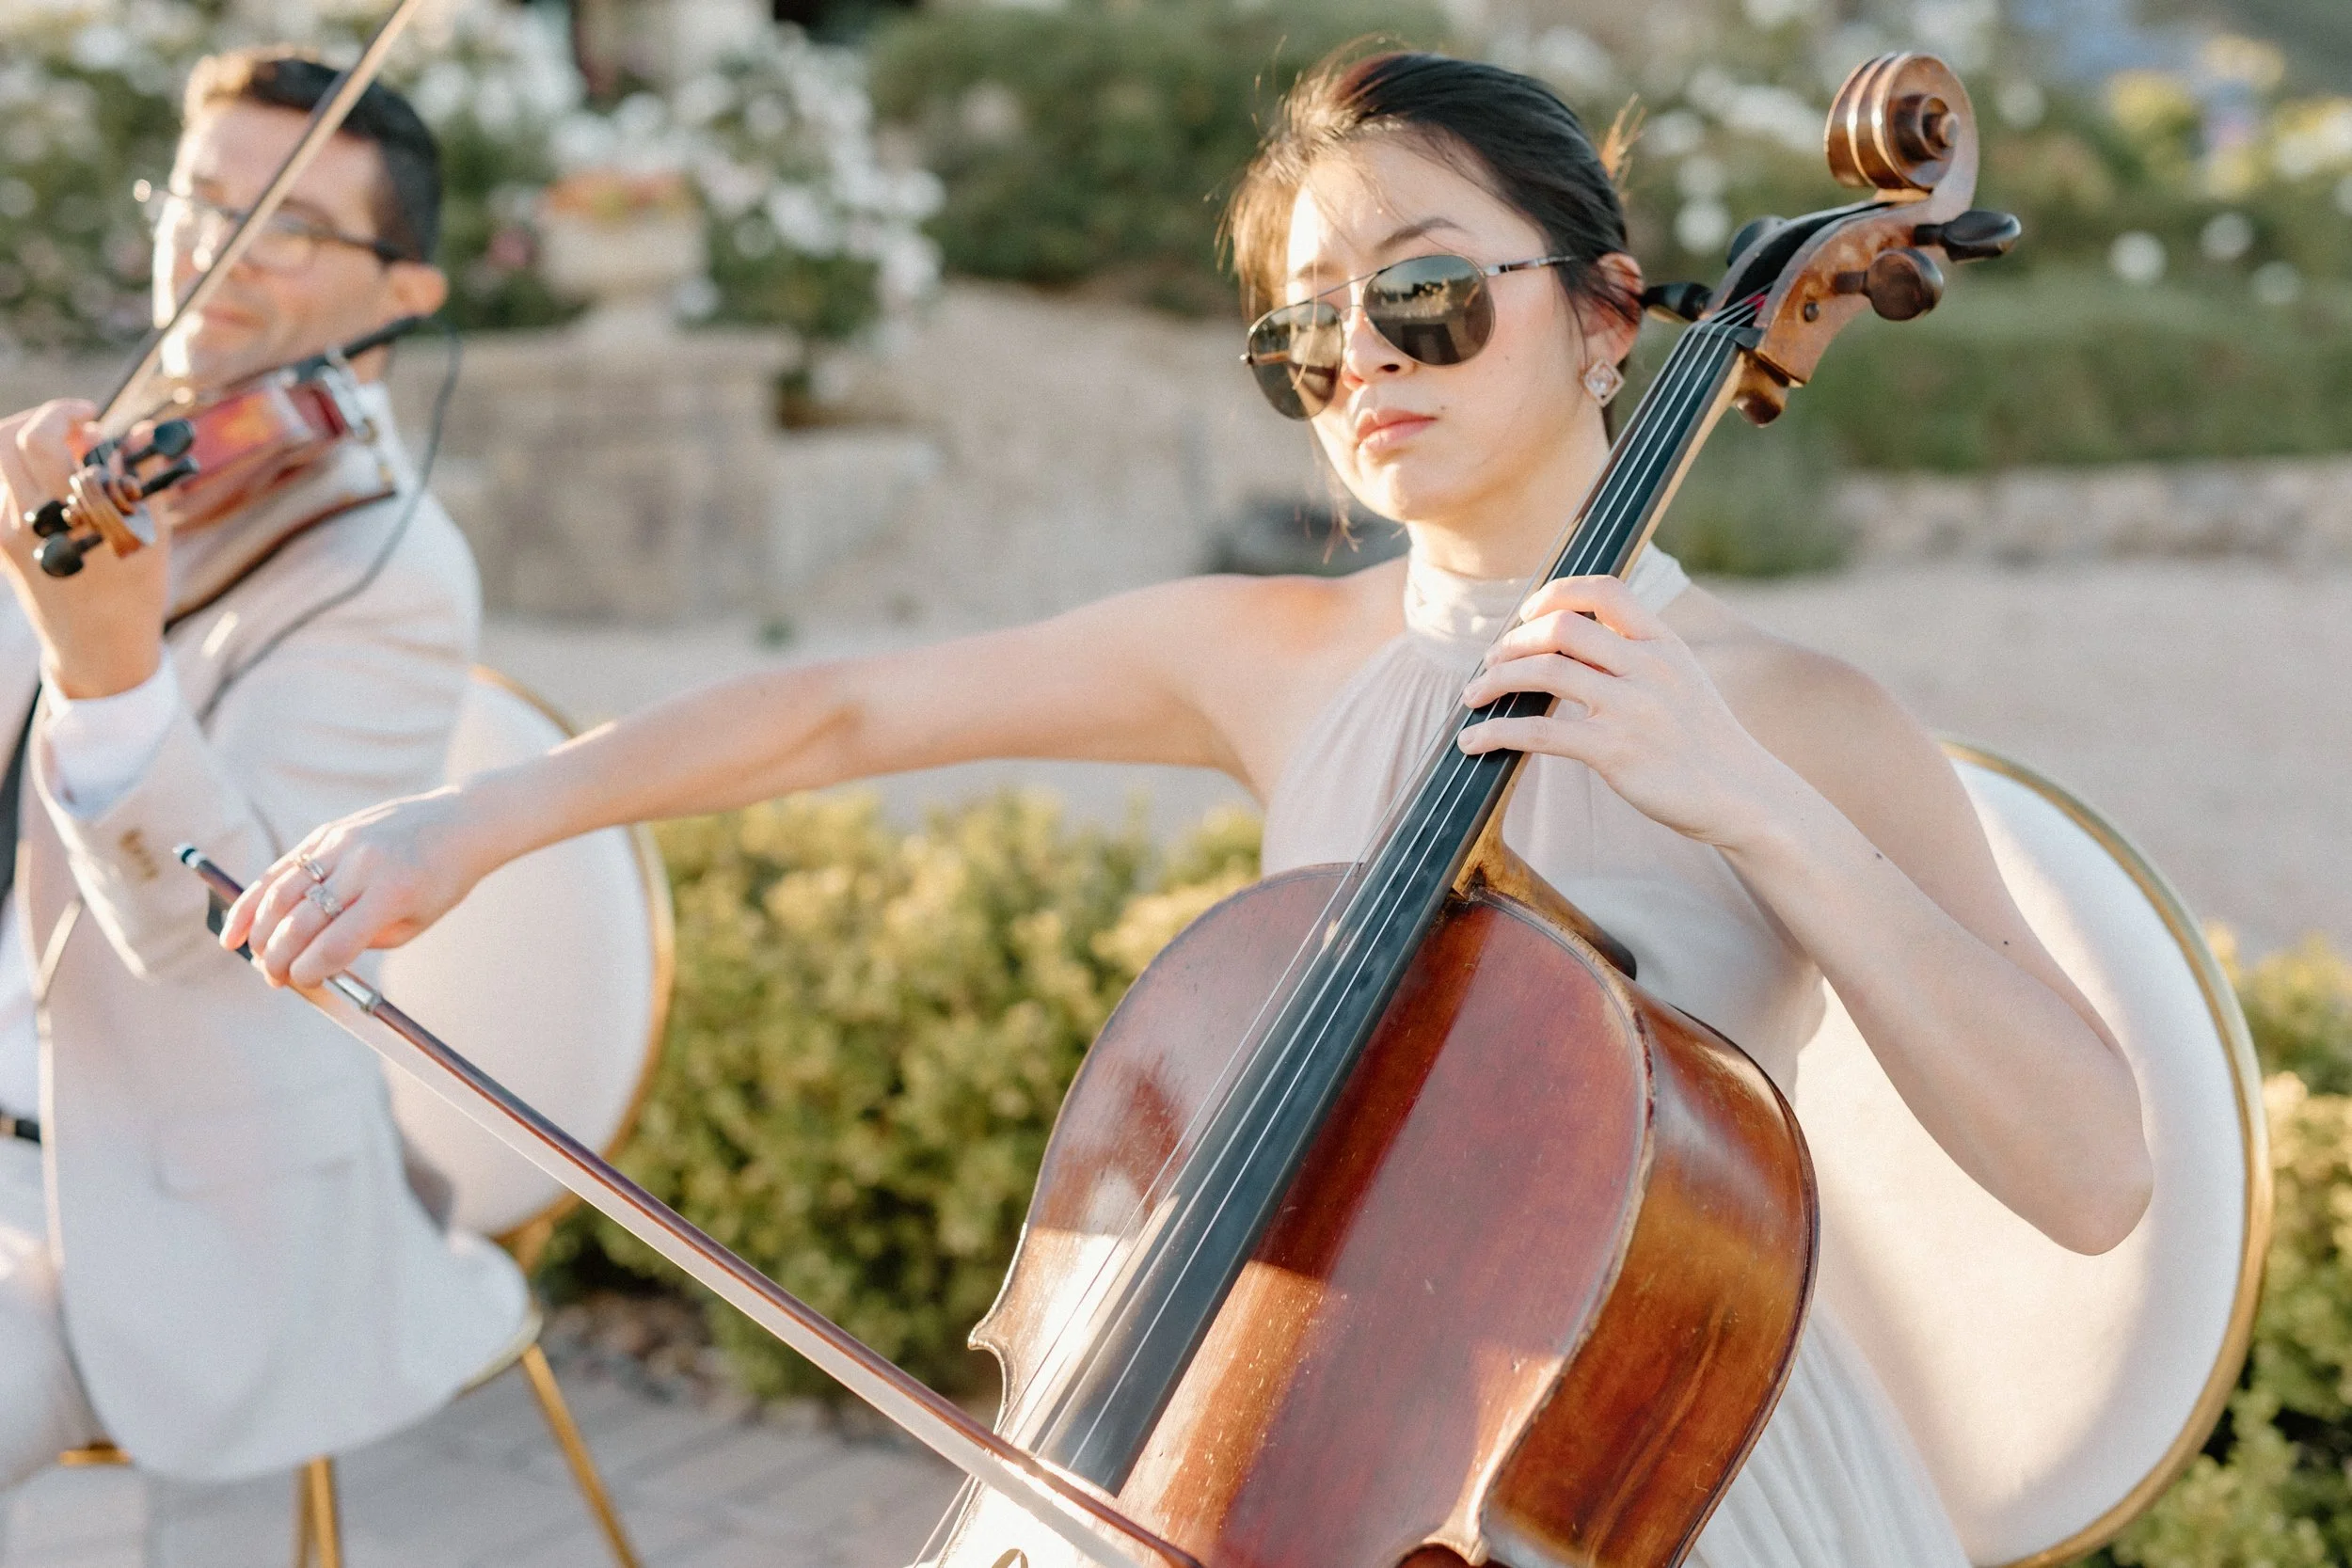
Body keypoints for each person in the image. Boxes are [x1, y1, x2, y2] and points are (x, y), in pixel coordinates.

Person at [225, 50, 2153, 1564]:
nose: (1364, 365)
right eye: (1310, 334)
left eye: (1419, 296)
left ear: (1601, 311)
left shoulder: (1794, 711)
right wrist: (467, 824)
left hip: (1615, 1481)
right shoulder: (1272, 652)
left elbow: (2086, 1173)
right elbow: (839, 705)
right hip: (1258, 1439)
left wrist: (1753, 806)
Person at [0, 51, 523, 1495]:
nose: (212, 256)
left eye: (285, 225)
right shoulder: (123, 478)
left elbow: (223, 941)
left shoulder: (392, 575)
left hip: (114, 1205)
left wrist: (106, 673)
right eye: (197, 202)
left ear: (409, 292)